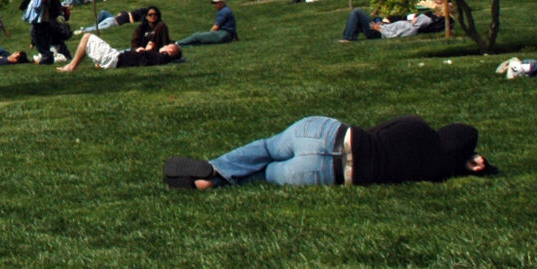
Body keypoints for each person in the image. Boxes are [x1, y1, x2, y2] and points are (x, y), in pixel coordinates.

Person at [165, 115, 497, 189]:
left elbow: (376, 129)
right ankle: (211, 183)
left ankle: (215, 168)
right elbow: (462, 164)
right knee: (266, 173)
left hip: (331, 136)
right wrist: (470, 165)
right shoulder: (436, 171)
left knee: (267, 148)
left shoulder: (417, 127)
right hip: (327, 175)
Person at [57, 7, 183, 72]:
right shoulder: (159, 56)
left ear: (171, 51)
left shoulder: (162, 57)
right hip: (117, 58)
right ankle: (75, 64)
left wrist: (144, 51)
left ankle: (72, 66)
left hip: (115, 59)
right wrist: (143, 50)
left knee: (87, 37)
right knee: (90, 39)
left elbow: (144, 60)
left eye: (170, 46)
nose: (167, 45)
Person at [340, 6, 443, 42]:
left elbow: (392, 36)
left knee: (357, 12)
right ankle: (348, 36)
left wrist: (379, 28)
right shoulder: (407, 23)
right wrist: (381, 24)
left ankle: (348, 38)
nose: (415, 18)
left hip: (378, 34)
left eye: (418, 19)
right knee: (357, 18)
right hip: (381, 27)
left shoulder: (411, 29)